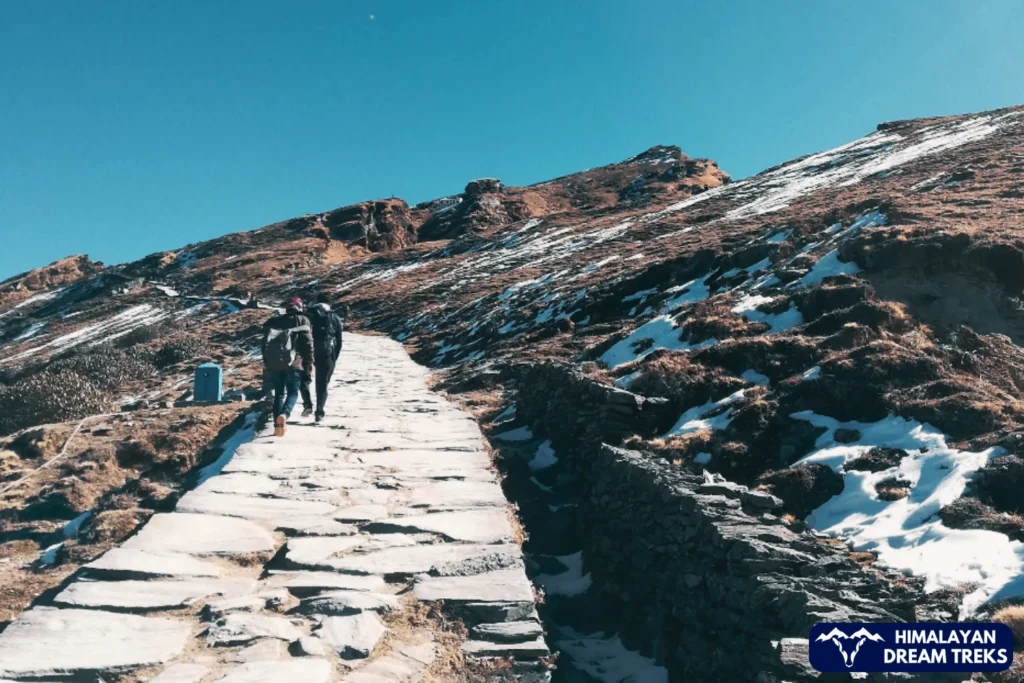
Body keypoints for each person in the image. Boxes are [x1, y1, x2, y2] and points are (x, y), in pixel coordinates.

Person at [262, 297, 314, 437]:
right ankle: (284, 415)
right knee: (292, 392)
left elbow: (264, 344)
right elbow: (308, 343)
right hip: (294, 363)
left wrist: (267, 362)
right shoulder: (302, 320)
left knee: (279, 393)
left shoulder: (275, 322)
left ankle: (276, 426)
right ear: (299, 307)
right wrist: (309, 362)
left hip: (275, 364)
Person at [300, 297, 344, 422]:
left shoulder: (309, 315)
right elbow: (339, 341)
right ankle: (319, 413)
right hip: (326, 353)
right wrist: (334, 357)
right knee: (322, 384)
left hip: (307, 352)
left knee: (304, 378)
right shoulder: (334, 317)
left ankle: (307, 403)